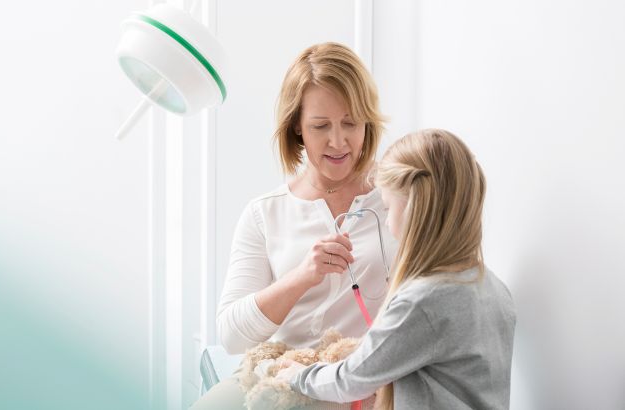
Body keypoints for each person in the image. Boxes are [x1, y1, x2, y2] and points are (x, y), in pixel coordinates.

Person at [191, 42, 397, 410]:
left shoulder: (396, 200)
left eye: (350, 123)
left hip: (357, 379)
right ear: (297, 128)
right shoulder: (265, 213)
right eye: (320, 126)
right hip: (279, 377)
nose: (338, 141)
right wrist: (302, 276)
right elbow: (232, 336)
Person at [277, 129, 517, 410]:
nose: (388, 222)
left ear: (415, 208)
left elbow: (351, 380)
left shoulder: (424, 301)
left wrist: (298, 376)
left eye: (388, 208)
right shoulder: (493, 288)